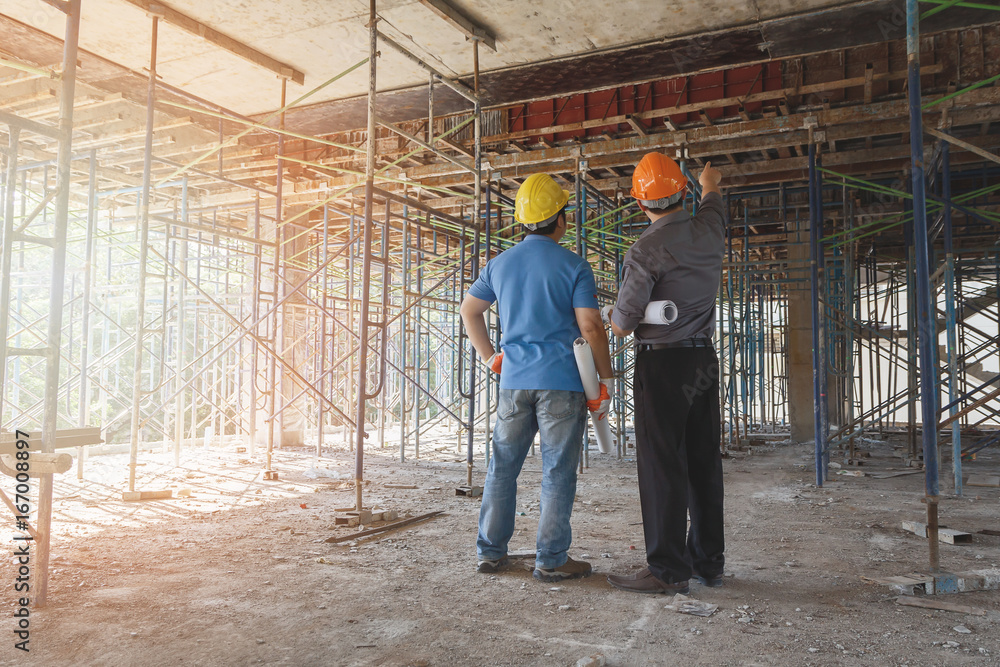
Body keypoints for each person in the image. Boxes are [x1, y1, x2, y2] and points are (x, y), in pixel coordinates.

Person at [460, 172, 614, 583]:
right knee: (557, 470)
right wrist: (606, 380)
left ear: (523, 221)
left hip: (513, 381)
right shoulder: (574, 266)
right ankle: (551, 559)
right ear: (561, 219)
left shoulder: (499, 264)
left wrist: (492, 357)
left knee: (502, 467)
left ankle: (490, 553)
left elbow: (469, 311)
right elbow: (592, 328)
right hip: (562, 383)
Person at [605, 153, 726, 595]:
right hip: (703, 361)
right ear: (683, 193)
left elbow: (622, 323)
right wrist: (709, 181)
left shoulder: (645, 250)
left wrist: (609, 312)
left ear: (640, 205)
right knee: (703, 461)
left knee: (662, 464)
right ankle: (708, 563)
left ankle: (667, 570)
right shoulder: (710, 229)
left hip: (662, 363)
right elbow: (713, 198)